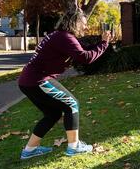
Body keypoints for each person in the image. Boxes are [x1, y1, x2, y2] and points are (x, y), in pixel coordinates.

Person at [18, 9, 111, 159]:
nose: (86, 27)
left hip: (28, 81)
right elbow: (85, 58)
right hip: (38, 80)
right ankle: (74, 147)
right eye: (84, 24)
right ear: (75, 22)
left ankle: (30, 150)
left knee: (52, 114)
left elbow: (79, 51)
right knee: (72, 104)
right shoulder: (65, 37)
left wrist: (99, 43)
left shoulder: (59, 36)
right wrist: (104, 43)